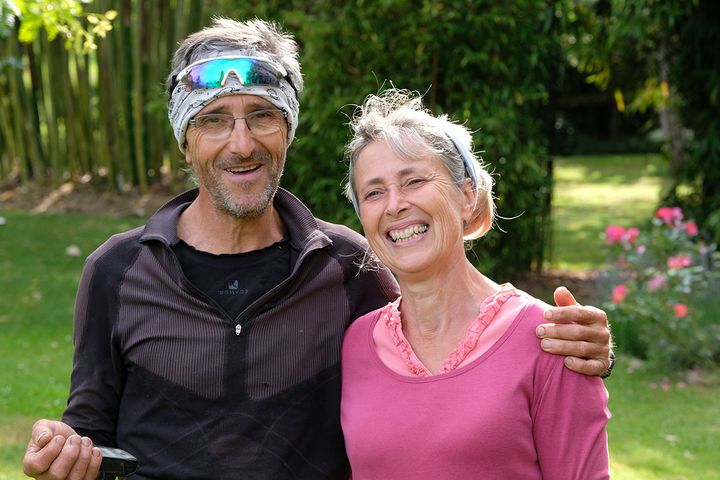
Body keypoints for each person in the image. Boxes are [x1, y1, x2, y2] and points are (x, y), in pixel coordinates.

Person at [22, 18, 611, 480]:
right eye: (214, 121)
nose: (241, 143)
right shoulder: (118, 271)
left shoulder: (350, 267)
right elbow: (90, 433)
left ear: (289, 130)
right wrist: (62, 456)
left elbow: (441, 354)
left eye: (261, 116)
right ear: (185, 138)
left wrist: (575, 356)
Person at [340, 89, 610, 479]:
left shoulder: (550, 337)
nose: (394, 204)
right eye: (374, 192)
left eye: (414, 180)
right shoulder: (355, 345)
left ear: (467, 197)